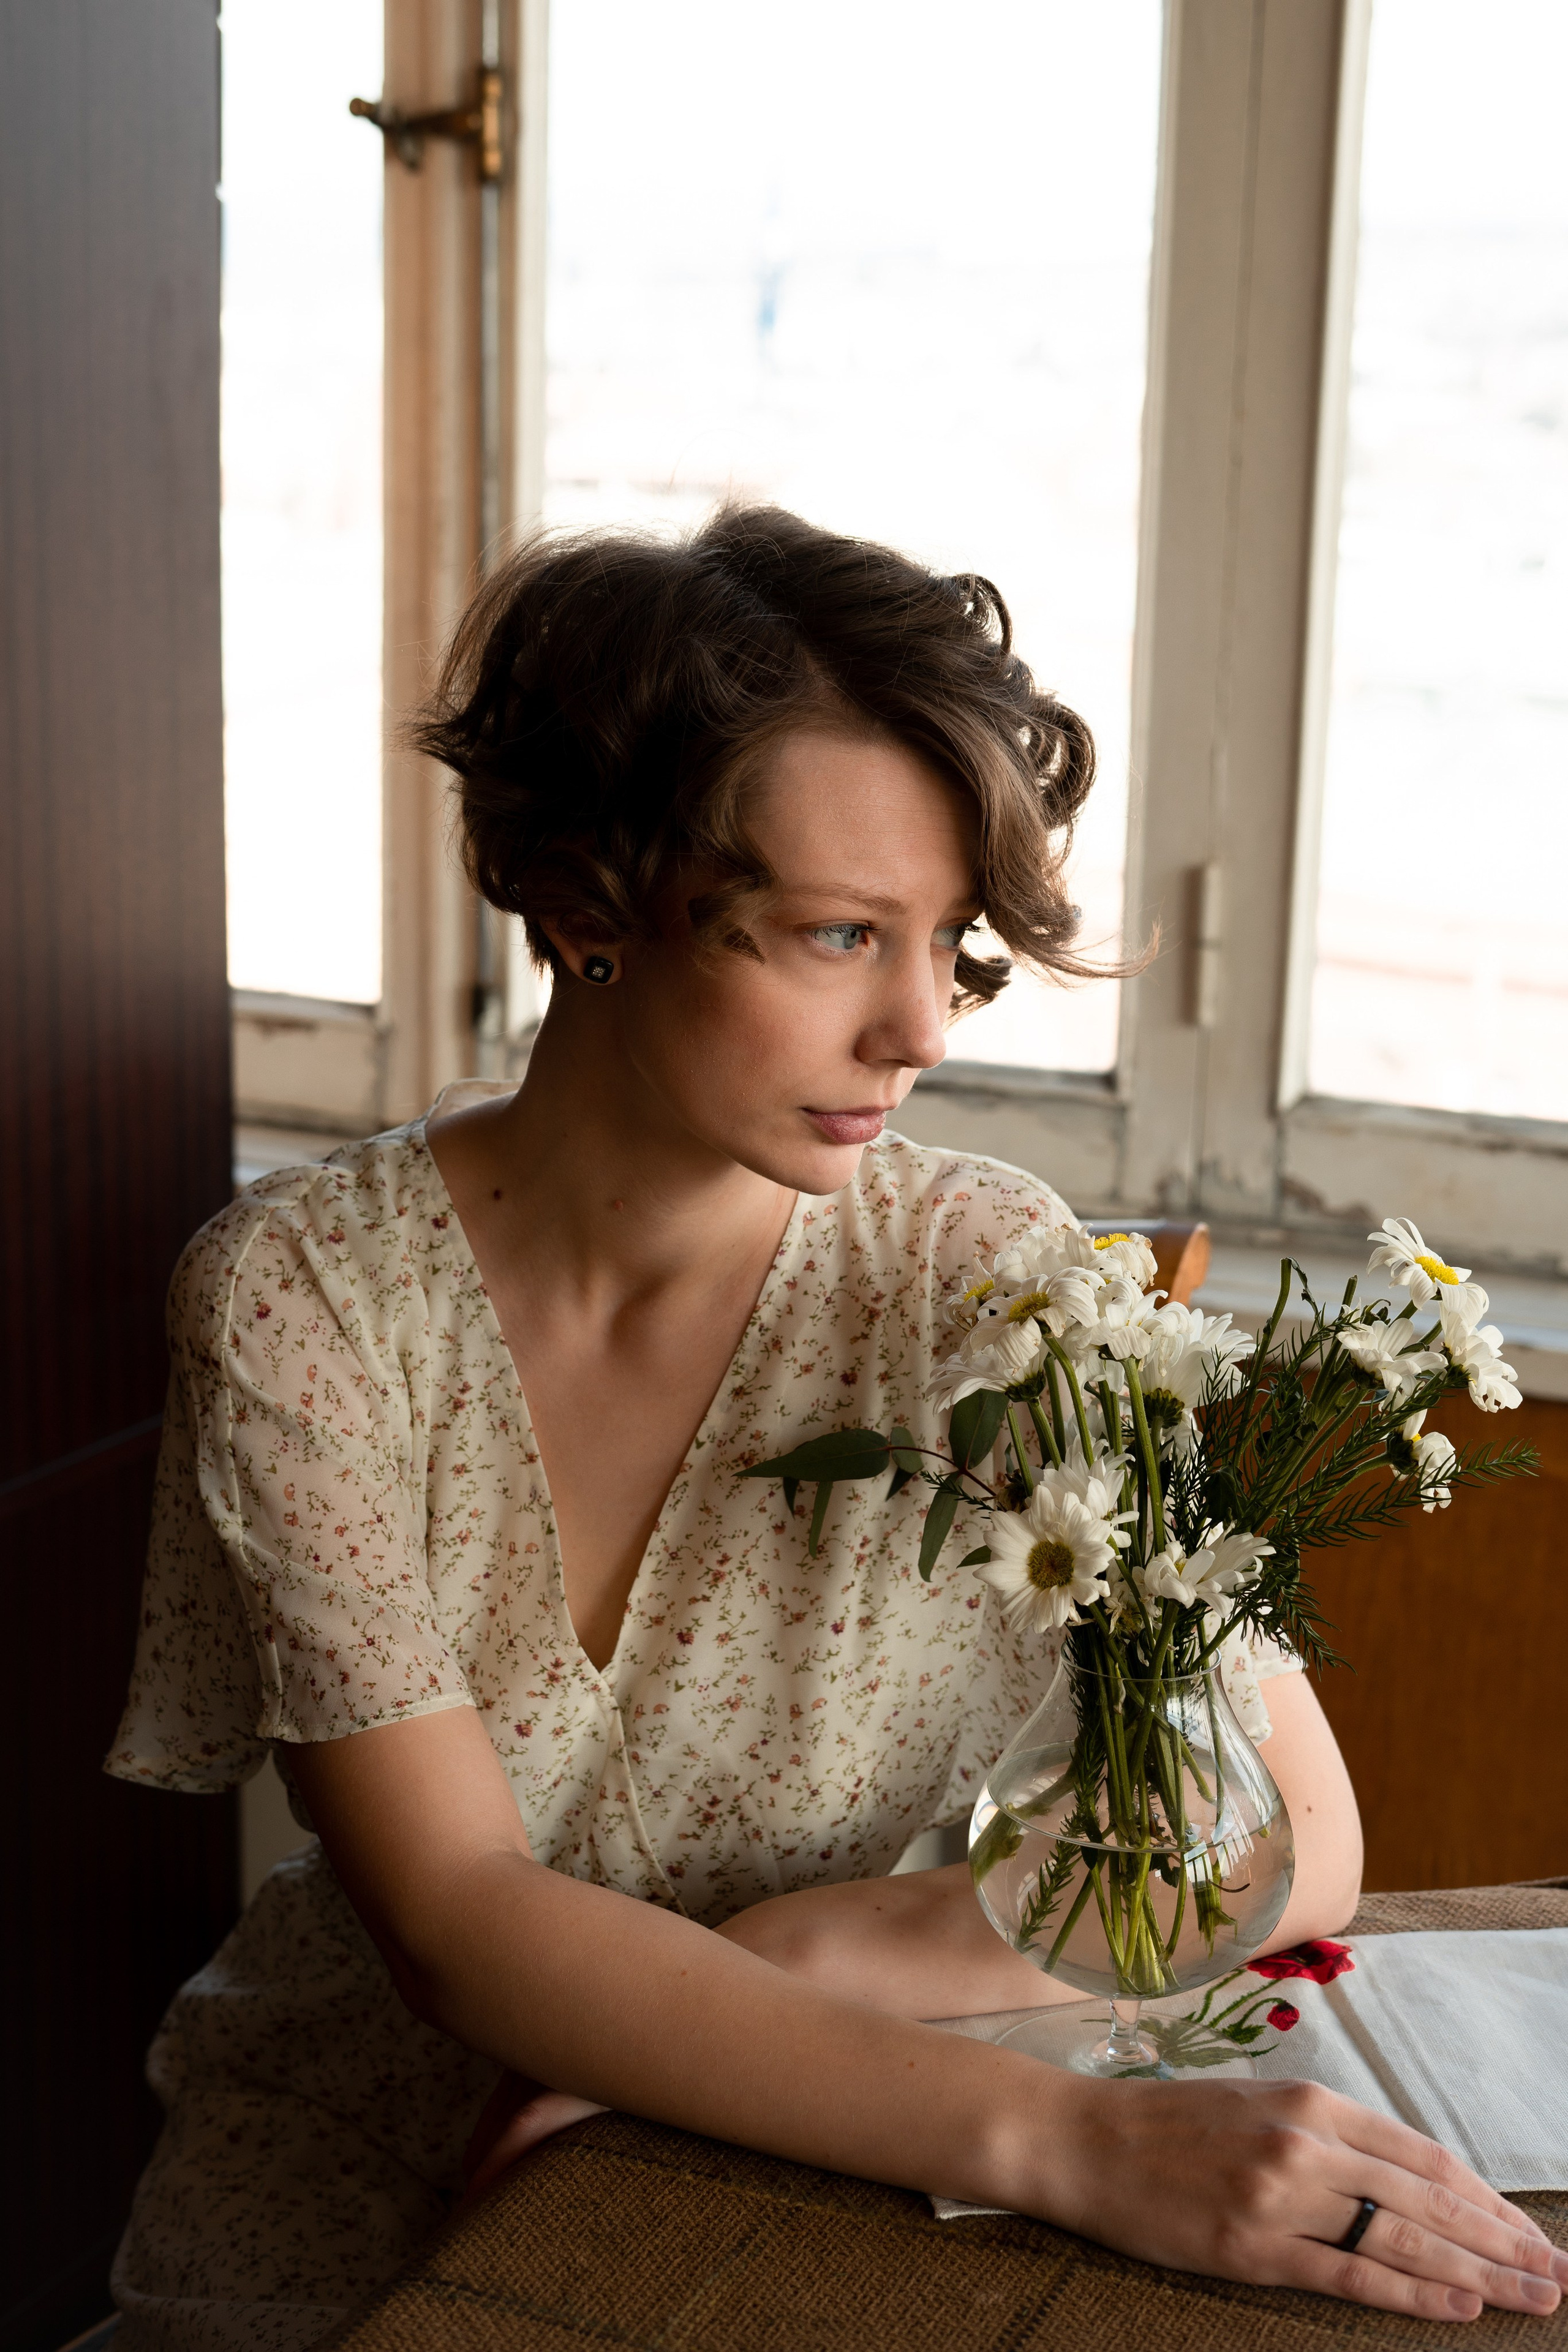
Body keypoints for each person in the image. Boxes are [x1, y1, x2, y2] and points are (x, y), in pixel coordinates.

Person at [107, 509, 1563, 2348]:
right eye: (835, 935)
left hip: (835, 2121)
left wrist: (791, 1958)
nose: (918, 1027)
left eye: (947, 942)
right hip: (370, 2152)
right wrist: (1084, 2146)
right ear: (584, 902)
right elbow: (461, 1917)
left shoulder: (987, 1270)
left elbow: (1287, 1831)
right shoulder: (303, 1301)